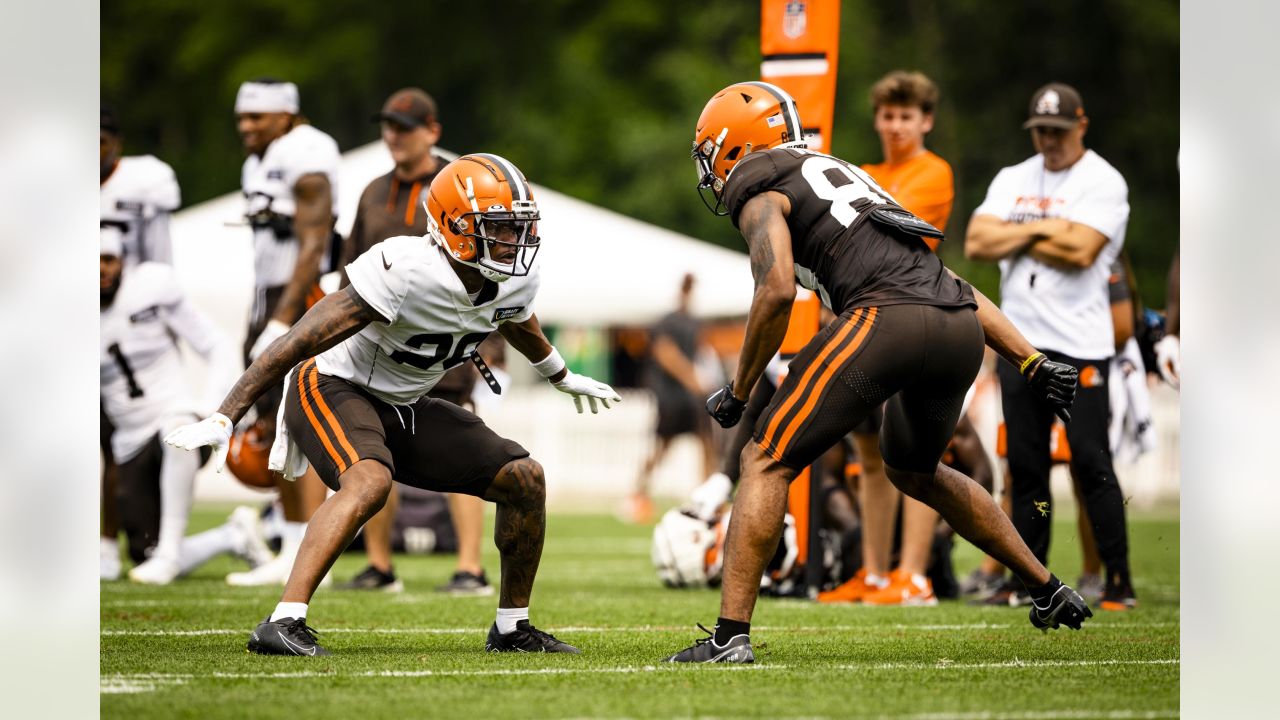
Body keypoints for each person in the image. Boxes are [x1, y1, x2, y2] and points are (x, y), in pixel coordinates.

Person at [665, 81, 1089, 664]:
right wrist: (1029, 358)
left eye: (712, 153)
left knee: (763, 459)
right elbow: (951, 284)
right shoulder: (844, 173)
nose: (712, 170)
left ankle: (729, 637)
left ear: (736, 146)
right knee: (918, 470)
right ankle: (1046, 588)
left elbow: (777, 289)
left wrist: (739, 390)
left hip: (885, 319)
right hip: (957, 326)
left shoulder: (758, 184)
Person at [165, 153, 621, 656]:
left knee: (524, 478)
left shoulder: (514, 278)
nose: (513, 242)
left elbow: (516, 317)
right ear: (454, 228)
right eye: (498, 228)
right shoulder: (404, 268)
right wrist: (227, 412)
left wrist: (560, 374)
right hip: (333, 385)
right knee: (370, 480)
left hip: (404, 403)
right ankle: (283, 621)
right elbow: (299, 341)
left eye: (517, 228)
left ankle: (512, 628)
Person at [964, 82, 1137, 611]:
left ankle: (1118, 582)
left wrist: (1016, 230)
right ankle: (1029, 580)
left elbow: (1085, 251)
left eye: (1058, 131)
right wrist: (1049, 228)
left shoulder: (1103, 181)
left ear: (1080, 125)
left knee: (1091, 462)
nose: (1048, 140)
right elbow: (976, 241)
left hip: (1082, 343)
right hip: (1021, 345)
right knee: (1027, 467)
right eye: (1040, 130)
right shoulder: (1013, 176)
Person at [331, 87, 492, 596]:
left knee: (463, 448)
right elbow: (351, 271)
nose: (393, 135)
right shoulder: (372, 192)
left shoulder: (463, 181)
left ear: (433, 131)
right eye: (388, 125)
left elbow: (494, 263)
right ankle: (380, 566)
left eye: (404, 126)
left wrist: (496, 346)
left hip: (445, 343)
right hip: (377, 349)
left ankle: (471, 568)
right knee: (376, 454)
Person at [829, 69, 960, 607]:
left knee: (918, 453)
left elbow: (893, 233)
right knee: (868, 451)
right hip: (867, 317)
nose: (896, 125)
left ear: (925, 120)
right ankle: (877, 573)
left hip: (918, 317)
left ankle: (914, 576)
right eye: (888, 115)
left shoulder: (934, 171)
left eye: (907, 115)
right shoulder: (866, 170)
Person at [100, 227, 269, 583]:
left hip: (176, 423)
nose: (101, 269)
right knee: (143, 552)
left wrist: (211, 409)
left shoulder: (149, 287)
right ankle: (230, 536)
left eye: (108, 259)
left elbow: (217, 345)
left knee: (174, 423)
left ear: (123, 262)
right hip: (129, 441)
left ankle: (170, 554)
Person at [225, 78, 341, 586]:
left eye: (258, 118)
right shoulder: (259, 160)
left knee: (298, 419)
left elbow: (313, 243)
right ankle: (292, 542)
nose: (246, 127)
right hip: (267, 294)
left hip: (299, 295)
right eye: (242, 119)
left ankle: (304, 546)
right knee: (274, 424)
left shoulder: (307, 150)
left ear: (288, 115)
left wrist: (281, 317)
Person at [100, 104, 182, 579]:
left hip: (131, 322)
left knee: (144, 548)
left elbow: (159, 259)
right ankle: (100, 544)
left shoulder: (144, 182)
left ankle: (124, 545)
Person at [627, 273, 716, 524]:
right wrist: (692, 378)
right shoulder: (668, 321)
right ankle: (637, 496)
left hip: (692, 397)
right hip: (671, 396)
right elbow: (665, 353)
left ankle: (707, 498)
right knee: (661, 447)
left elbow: (700, 353)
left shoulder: (695, 322)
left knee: (707, 444)